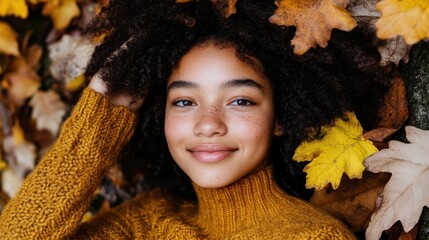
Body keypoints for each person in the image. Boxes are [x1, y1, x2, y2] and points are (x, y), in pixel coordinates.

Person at [0, 0, 386, 239]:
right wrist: (101, 119)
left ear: (281, 115)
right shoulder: (147, 221)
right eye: (184, 102)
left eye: (239, 100)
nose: (208, 124)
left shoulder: (313, 238)